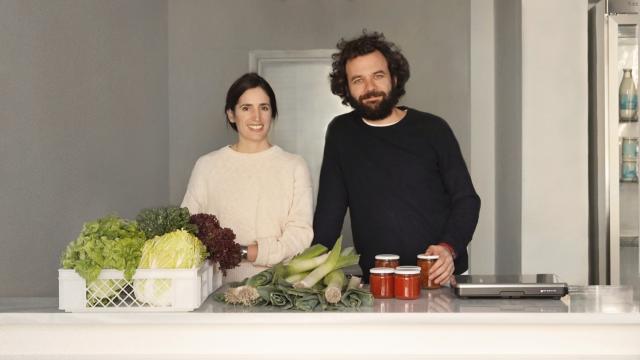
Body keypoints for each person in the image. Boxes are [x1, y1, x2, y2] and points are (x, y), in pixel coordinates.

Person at [313, 31, 480, 285]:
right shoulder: (341, 133)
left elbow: (466, 200)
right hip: (380, 279)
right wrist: (309, 269)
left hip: (440, 276)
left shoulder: (433, 129)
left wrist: (449, 248)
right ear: (346, 87)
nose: (370, 88)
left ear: (393, 77)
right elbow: (329, 215)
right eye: (358, 80)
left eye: (377, 76)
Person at [182, 73, 314, 283]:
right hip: (216, 291)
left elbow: (300, 236)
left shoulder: (294, 166)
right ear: (231, 115)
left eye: (264, 107)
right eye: (246, 108)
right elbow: (187, 229)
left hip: (275, 291)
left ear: (272, 113)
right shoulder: (206, 165)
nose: (257, 117)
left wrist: (244, 252)